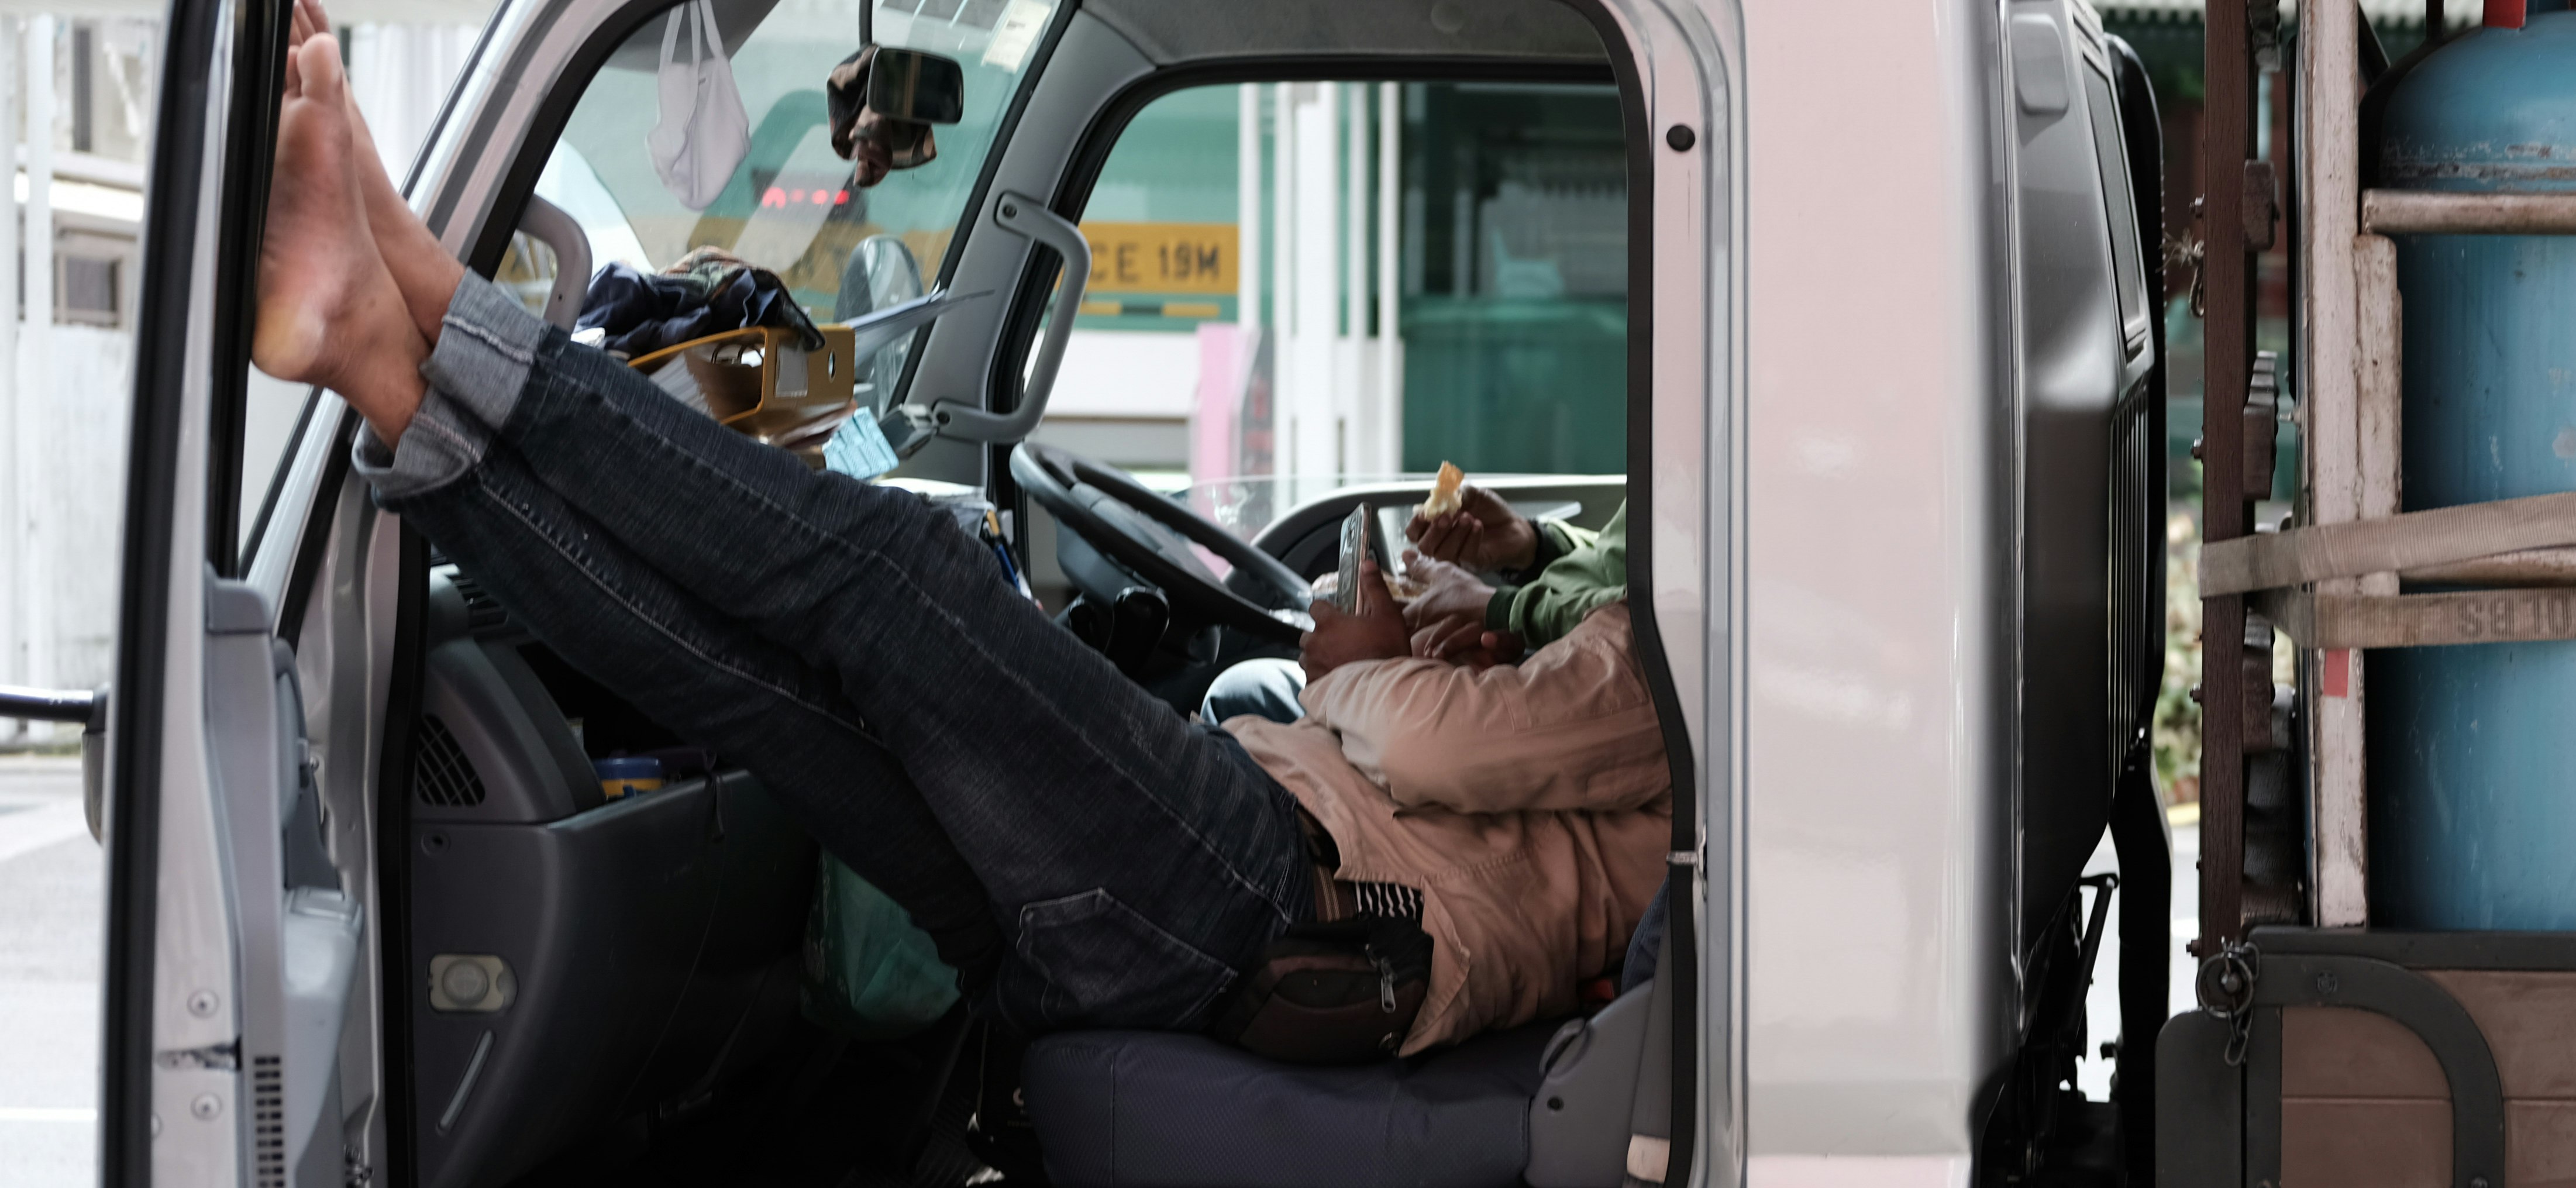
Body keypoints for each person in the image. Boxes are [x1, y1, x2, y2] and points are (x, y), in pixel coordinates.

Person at [249, 12, 1666, 1058]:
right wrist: (1511, 592)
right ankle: (385, 356)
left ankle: (426, 291)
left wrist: (1354, 665)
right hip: (1247, 900)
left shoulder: (1697, 652)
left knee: (900, 574)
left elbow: (1425, 749)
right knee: (756, 688)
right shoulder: (1648, 617)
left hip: (1279, 905)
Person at [1198, 482, 1628, 725]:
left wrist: (1500, 608)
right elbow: (1619, 561)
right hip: (1555, 649)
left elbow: (1650, 612)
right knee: (1247, 691)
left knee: (1240, 699)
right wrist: (1534, 546)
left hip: (1584, 678)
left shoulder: (1688, 437)